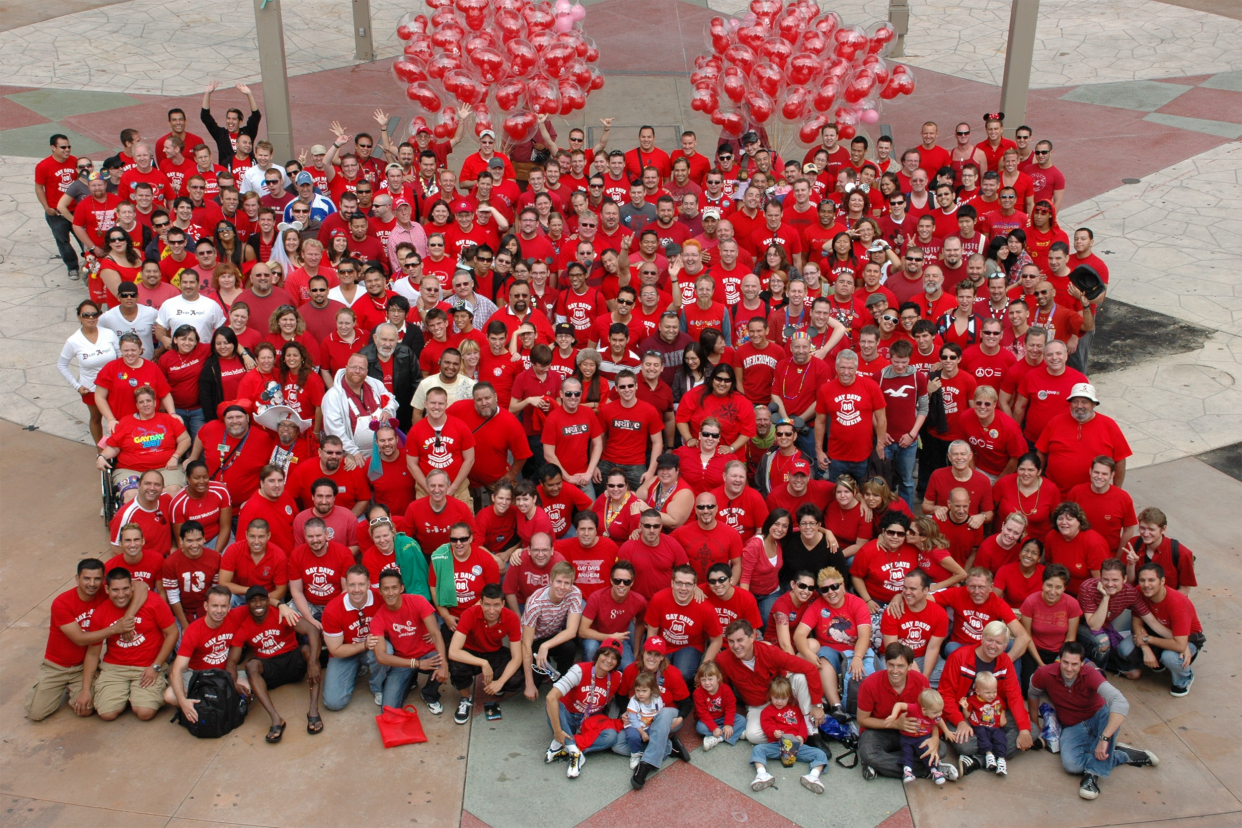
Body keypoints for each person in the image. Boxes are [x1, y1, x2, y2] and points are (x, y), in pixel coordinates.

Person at [1027, 642, 1159, 799]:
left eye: (1075, 664)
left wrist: (1104, 738)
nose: (1069, 668)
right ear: (1059, 659)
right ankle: (1122, 755)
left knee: (1111, 710)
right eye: (1066, 662)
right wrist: (1035, 723)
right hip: (1072, 726)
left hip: (1097, 720)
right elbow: (1033, 694)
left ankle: (1092, 776)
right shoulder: (1044, 673)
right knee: (1071, 765)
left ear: (1082, 663)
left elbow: (1120, 702)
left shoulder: (1090, 674)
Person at [78, 567, 178, 723]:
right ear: (107, 589)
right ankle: (126, 694)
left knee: (144, 712)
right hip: (115, 667)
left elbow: (172, 633)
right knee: (107, 714)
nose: (121, 594)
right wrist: (85, 690)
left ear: (132, 586)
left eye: (125, 588)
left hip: (147, 666)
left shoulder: (153, 602)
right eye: (115, 590)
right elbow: (92, 653)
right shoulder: (101, 612)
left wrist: (156, 666)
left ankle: (141, 695)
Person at [856, 642, 960, 781]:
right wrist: (896, 724)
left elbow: (932, 715)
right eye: (891, 665)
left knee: (940, 749)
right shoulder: (870, 684)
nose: (895, 670)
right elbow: (862, 720)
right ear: (885, 663)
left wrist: (935, 738)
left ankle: (883, 766)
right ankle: (930, 768)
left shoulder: (921, 681)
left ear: (910, 666)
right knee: (868, 752)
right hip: (882, 729)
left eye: (900, 666)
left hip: (915, 731)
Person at [940, 621, 1034, 772]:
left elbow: (1014, 696)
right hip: (965, 714)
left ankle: (977, 760)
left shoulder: (1005, 662)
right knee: (966, 746)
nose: (993, 646)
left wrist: (1023, 729)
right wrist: (959, 722)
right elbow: (945, 695)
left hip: (993, 712)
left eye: (998, 642)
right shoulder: (959, 657)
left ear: (1005, 646)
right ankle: (993, 751)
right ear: (982, 638)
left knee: (1031, 730)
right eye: (990, 640)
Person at [716, 619, 828, 745]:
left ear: (752, 637)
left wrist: (817, 704)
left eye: (740, 640)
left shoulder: (770, 652)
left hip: (783, 693)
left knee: (800, 678)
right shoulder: (723, 660)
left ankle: (811, 731)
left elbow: (810, 668)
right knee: (753, 736)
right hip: (758, 705)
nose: (736, 646)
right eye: (731, 641)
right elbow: (724, 690)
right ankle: (792, 732)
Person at [795, 565, 874, 722]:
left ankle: (865, 709)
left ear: (843, 585)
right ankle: (836, 706)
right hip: (830, 652)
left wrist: (858, 656)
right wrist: (810, 655)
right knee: (823, 658)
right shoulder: (818, 605)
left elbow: (865, 635)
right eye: (825, 590)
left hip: (853, 651)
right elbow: (799, 635)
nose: (830, 592)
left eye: (834, 587)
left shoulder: (857, 603)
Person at [542, 639, 626, 779]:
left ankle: (566, 746)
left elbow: (628, 697)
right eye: (605, 655)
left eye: (614, 658)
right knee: (553, 704)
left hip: (590, 720)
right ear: (598, 655)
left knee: (611, 736)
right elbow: (551, 697)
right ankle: (574, 751)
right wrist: (557, 731)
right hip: (568, 716)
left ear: (617, 662)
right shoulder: (579, 670)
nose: (609, 660)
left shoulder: (618, 678)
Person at [369, 569, 449, 713]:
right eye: (385, 589)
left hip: (428, 654)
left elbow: (436, 634)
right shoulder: (378, 618)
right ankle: (409, 681)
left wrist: (444, 664)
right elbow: (381, 657)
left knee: (444, 663)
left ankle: (429, 694)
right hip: (404, 660)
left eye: (394, 588)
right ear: (380, 591)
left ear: (401, 588)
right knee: (389, 709)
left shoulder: (417, 601)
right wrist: (415, 664)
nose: (390, 593)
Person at [1121, 563, 1205, 696]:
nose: (1146, 585)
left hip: (1186, 637)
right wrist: (1145, 648)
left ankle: (1184, 679)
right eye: (1142, 580)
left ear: (1162, 581)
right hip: (1156, 632)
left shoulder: (1178, 604)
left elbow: (1180, 644)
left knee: (1171, 657)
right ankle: (1158, 661)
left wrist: (1148, 639)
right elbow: (1136, 622)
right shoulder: (1140, 591)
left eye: (1151, 580)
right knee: (1124, 648)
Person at [447, 582, 524, 723]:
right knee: (457, 667)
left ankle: (496, 684)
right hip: (470, 651)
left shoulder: (512, 618)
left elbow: (517, 657)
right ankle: (465, 698)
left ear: (503, 604)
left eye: (496, 605)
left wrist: (500, 682)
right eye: (487, 605)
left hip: (494, 651)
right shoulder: (469, 614)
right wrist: (483, 663)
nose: (492, 610)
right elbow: (453, 651)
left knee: (516, 679)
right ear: (481, 603)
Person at [1037, 383, 1131, 494]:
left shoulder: (1109, 425)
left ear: (1094, 404)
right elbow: (1041, 452)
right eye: (1075, 401)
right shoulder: (1055, 422)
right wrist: (1037, 481)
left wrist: (1117, 490)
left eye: (1085, 402)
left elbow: (1120, 459)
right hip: (1057, 495)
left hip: (1094, 496)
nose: (1079, 406)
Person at [748, 675, 831, 795]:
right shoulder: (767, 711)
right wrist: (774, 732)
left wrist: (801, 736)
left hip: (797, 747)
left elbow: (802, 723)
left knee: (820, 754)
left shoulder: (795, 709)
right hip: (778, 745)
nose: (779, 702)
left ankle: (813, 777)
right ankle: (762, 774)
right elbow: (767, 725)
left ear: (789, 697)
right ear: (770, 696)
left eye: (783, 698)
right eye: (776, 698)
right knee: (758, 749)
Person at [320, 565, 386, 711]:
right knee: (333, 703)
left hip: (373, 647)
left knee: (387, 649)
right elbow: (335, 650)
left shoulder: (380, 597)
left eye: (361, 584)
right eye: (352, 585)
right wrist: (364, 645)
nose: (357, 590)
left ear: (369, 584)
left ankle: (377, 686)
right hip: (345, 652)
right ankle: (355, 669)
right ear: (346, 585)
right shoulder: (332, 610)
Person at [644, 564, 724, 683]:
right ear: (672, 583)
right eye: (679, 583)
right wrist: (652, 655)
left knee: (682, 674)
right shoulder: (659, 599)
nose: (683, 588)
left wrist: (704, 667)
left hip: (689, 646)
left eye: (688, 584)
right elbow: (652, 632)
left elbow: (717, 640)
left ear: (695, 586)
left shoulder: (706, 608)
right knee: (653, 670)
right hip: (663, 643)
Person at [321, 352, 399, 466]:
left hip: (383, 450)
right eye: (353, 367)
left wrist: (388, 410)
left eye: (362, 368)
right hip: (354, 456)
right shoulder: (333, 397)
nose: (357, 371)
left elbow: (391, 400)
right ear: (346, 368)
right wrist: (353, 452)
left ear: (367, 371)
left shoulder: (375, 385)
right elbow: (335, 431)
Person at [521, 561, 585, 698]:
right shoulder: (535, 602)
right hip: (534, 639)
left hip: (551, 637)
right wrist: (529, 684)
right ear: (551, 580)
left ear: (572, 584)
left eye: (567, 583)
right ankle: (539, 670)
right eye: (559, 581)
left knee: (570, 646)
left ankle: (562, 682)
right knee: (534, 683)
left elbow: (572, 631)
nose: (562, 587)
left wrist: (546, 646)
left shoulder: (574, 593)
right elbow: (526, 643)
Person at [59, 300, 120, 445]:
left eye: (95, 314)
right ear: (79, 317)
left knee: (118, 418)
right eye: (86, 315)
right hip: (91, 388)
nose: (91, 318)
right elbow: (61, 365)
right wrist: (77, 386)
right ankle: (101, 450)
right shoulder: (73, 341)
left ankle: (120, 448)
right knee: (96, 418)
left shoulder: (108, 334)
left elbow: (121, 355)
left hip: (115, 385)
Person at [1018, 564, 1082, 691]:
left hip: (1059, 652)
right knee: (1028, 689)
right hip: (1034, 649)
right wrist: (1041, 664)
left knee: (1063, 688)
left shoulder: (1072, 604)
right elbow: (1027, 636)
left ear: (1064, 588)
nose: (1052, 592)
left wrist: (1058, 662)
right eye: (1049, 585)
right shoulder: (1031, 602)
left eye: (1058, 587)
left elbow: (1070, 638)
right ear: (1042, 584)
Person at [881, 570, 950, 684]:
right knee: (892, 676)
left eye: (913, 589)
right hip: (896, 657)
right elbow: (892, 648)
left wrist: (924, 679)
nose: (907, 592)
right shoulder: (893, 610)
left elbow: (933, 649)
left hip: (923, 657)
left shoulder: (939, 613)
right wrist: (912, 668)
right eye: (905, 588)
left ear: (926, 590)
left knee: (946, 674)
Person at [956, 671, 1009, 774]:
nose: (992, 695)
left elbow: (1003, 707)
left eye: (994, 691)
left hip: (995, 727)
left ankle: (1001, 760)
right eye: (988, 693)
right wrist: (965, 708)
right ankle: (989, 755)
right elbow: (967, 716)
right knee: (982, 737)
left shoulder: (998, 699)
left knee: (1001, 739)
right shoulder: (973, 700)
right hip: (980, 726)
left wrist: (1003, 715)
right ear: (978, 691)